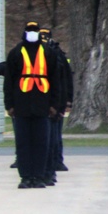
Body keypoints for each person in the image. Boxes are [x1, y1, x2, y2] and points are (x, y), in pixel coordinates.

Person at [4, 21, 60, 188]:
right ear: (24, 32)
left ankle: (39, 176)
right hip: (21, 105)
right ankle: (26, 177)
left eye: (34, 30)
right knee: (23, 143)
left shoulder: (48, 53)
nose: (32, 33)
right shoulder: (15, 53)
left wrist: (54, 105)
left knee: (41, 143)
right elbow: (8, 81)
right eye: (29, 30)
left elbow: (55, 81)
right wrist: (9, 105)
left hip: (42, 105)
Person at [41, 28, 73, 173]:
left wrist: (67, 100)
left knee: (54, 135)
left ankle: (57, 161)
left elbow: (66, 79)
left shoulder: (58, 55)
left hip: (56, 100)